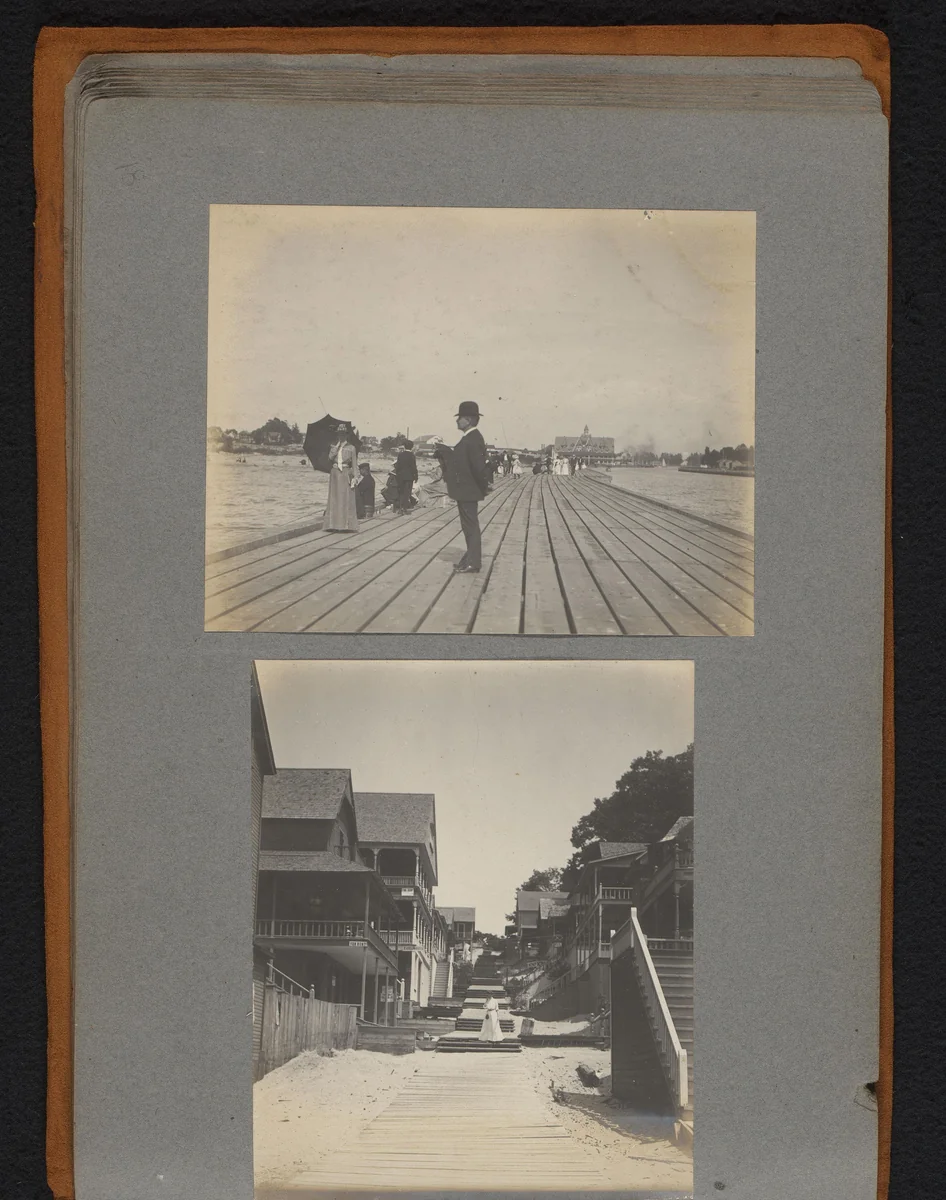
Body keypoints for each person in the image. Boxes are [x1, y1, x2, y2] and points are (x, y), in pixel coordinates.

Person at [448, 400, 490, 574]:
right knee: (469, 526)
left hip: (468, 490)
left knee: (470, 526)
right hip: (467, 490)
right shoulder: (471, 438)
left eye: (460, 418)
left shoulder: (472, 439)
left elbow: (479, 468)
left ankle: (473, 562)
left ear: (469, 420)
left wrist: (483, 487)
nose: (457, 421)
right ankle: (470, 560)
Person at [324, 423, 358, 532]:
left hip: (345, 473)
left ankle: (345, 525)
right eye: (339, 434)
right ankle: (333, 524)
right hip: (334, 473)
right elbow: (330, 458)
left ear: (347, 435)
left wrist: (355, 477)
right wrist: (337, 446)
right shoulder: (334, 447)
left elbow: (354, 463)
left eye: (343, 434)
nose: (341, 436)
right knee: (334, 497)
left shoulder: (352, 448)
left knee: (345, 498)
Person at [394, 440, 419, 515]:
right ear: (411, 447)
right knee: (407, 493)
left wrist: (397, 475)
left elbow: (398, 466)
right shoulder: (412, 455)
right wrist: (416, 476)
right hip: (409, 477)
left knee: (401, 492)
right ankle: (404, 508)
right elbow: (413, 467)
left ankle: (400, 508)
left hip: (401, 476)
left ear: (404, 446)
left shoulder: (400, 455)